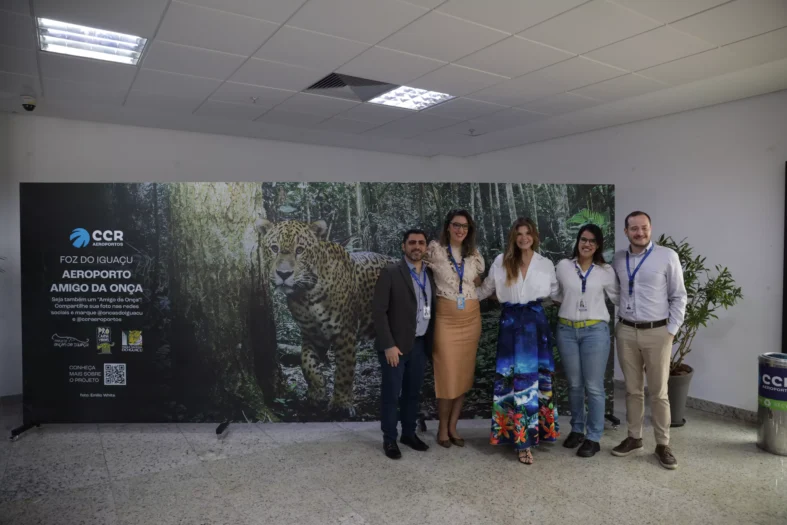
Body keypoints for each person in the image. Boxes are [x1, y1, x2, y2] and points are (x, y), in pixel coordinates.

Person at [477, 217, 560, 465]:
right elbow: (485, 290)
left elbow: (556, 293)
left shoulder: (545, 264)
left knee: (536, 381)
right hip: (511, 326)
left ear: (534, 236)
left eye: (528, 233)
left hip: (536, 326)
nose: (523, 238)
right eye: (519, 234)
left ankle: (538, 433)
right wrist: (462, 290)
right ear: (513, 236)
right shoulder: (501, 262)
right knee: (513, 382)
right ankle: (519, 441)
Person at [611, 211, 687, 470]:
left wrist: (671, 330)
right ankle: (634, 438)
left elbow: (679, 296)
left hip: (658, 332)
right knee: (632, 390)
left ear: (650, 229)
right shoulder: (618, 258)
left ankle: (663, 444)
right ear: (626, 232)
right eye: (634, 229)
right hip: (626, 331)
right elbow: (617, 291)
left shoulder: (667, 256)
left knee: (659, 392)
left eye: (643, 228)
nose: (639, 232)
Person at [553, 224, 619, 458]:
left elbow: (618, 297)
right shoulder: (563, 266)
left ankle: (593, 437)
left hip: (595, 332)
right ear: (578, 241)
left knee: (593, 386)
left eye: (592, 240)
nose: (587, 244)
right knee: (574, 384)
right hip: (567, 331)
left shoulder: (605, 271)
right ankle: (577, 429)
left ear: (598, 245)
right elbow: (555, 293)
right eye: (583, 239)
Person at [372, 229, 435, 459]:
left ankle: (408, 433)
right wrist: (389, 345)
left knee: (412, 393)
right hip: (395, 347)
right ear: (403, 246)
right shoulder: (390, 272)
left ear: (426, 247)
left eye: (421, 242)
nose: (416, 246)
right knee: (391, 394)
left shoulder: (430, 274)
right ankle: (390, 439)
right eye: (412, 243)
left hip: (419, 344)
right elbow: (379, 312)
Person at [424, 210, 484, 448]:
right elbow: (418, 269)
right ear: (448, 226)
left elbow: (477, 282)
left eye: (465, 227)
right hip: (446, 319)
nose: (460, 230)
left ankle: (453, 427)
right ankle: (441, 428)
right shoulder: (435, 249)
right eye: (456, 225)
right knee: (447, 373)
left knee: (463, 374)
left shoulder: (474, 255)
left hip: (471, 318)